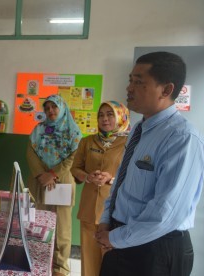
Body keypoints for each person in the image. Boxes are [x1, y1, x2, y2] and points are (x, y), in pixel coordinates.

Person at [95, 51, 204, 276]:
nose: (129, 88)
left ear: (166, 90)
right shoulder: (139, 129)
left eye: (138, 82)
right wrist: (107, 220)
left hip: (156, 249)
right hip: (124, 238)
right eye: (130, 80)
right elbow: (122, 184)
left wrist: (115, 238)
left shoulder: (181, 139)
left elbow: (166, 212)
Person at [70, 101, 130, 276]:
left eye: (110, 114)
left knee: (111, 260)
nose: (104, 119)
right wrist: (87, 176)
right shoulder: (87, 141)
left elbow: (134, 176)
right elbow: (75, 168)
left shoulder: (129, 143)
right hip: (89, 209)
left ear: (120, 116)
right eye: (101, 115)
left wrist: (111, 179)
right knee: (89, 259)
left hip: (115, 212)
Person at [26, 94, 82, 276]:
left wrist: (53, 174)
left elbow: (73, 158)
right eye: (47, 108)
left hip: (62, 183)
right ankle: (37, 263)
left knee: (61, 228)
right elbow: (31, 153)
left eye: (54, 107)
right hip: (39, 182)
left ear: (62, 107)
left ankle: (60, 268)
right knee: (38, 223)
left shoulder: (73, 132)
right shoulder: (38, 129)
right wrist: (41, 174)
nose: (50, 111)